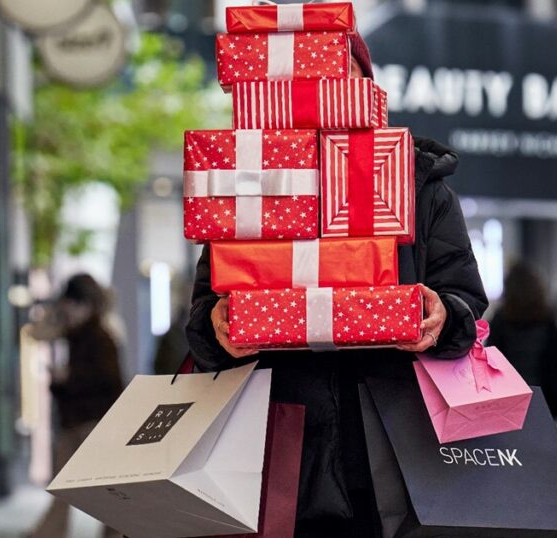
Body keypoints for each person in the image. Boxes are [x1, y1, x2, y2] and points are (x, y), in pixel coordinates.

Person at [186, 33, 489, 538]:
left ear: (366, 90)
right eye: (307, 81)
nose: (324, 95)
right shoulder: (248, 182)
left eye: (339, 77)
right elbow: (202, 321)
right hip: (279, 458)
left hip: (398, 452)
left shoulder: (418, 184)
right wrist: (216, 326)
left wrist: (444, 316)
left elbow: (467, 304)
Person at [30, 274, 124, 538]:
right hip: (75, 424)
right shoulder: (75, 335)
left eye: (70, 305)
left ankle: (113, 534)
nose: (66, 312)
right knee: (64, 488)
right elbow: (36, 332)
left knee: (105, 491)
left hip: (95, 425)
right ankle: (49, 533)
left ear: (84, 304)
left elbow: (108, 381)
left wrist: (68, 377)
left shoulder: (101, 337)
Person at [486, 261, 557, 426]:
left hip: (509, 404)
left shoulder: (500, 320)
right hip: (544, 405)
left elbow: (489, 364)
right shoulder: (547, 320)